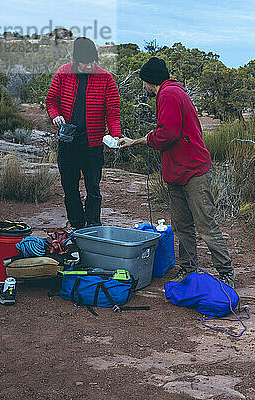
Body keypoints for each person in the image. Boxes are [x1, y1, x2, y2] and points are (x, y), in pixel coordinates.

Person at [118, 57, 236, 288]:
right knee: (182, 225)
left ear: (150, 81)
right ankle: (187, 268)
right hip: (178, 171)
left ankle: (226, 272)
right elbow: (168, 131)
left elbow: (167, 134)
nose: (143, 86)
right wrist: (139, 141)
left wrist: (141, 141)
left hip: (193, 171)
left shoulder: (169, 95)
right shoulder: (170, 93)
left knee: (205, 225)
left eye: (143, 81)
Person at [46, 37, 121, 230]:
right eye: (85, 63)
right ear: (76, 60)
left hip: (93, 145)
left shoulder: (106, 78)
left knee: (93, 189)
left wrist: (116, 136)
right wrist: (55, 115)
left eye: (92, 62)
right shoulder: (63, 73)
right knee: (70, 188)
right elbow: (51, 101)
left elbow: (113, 111)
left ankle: (94, 225)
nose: (89, 66)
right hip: (67, 143)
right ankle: (77, 226)